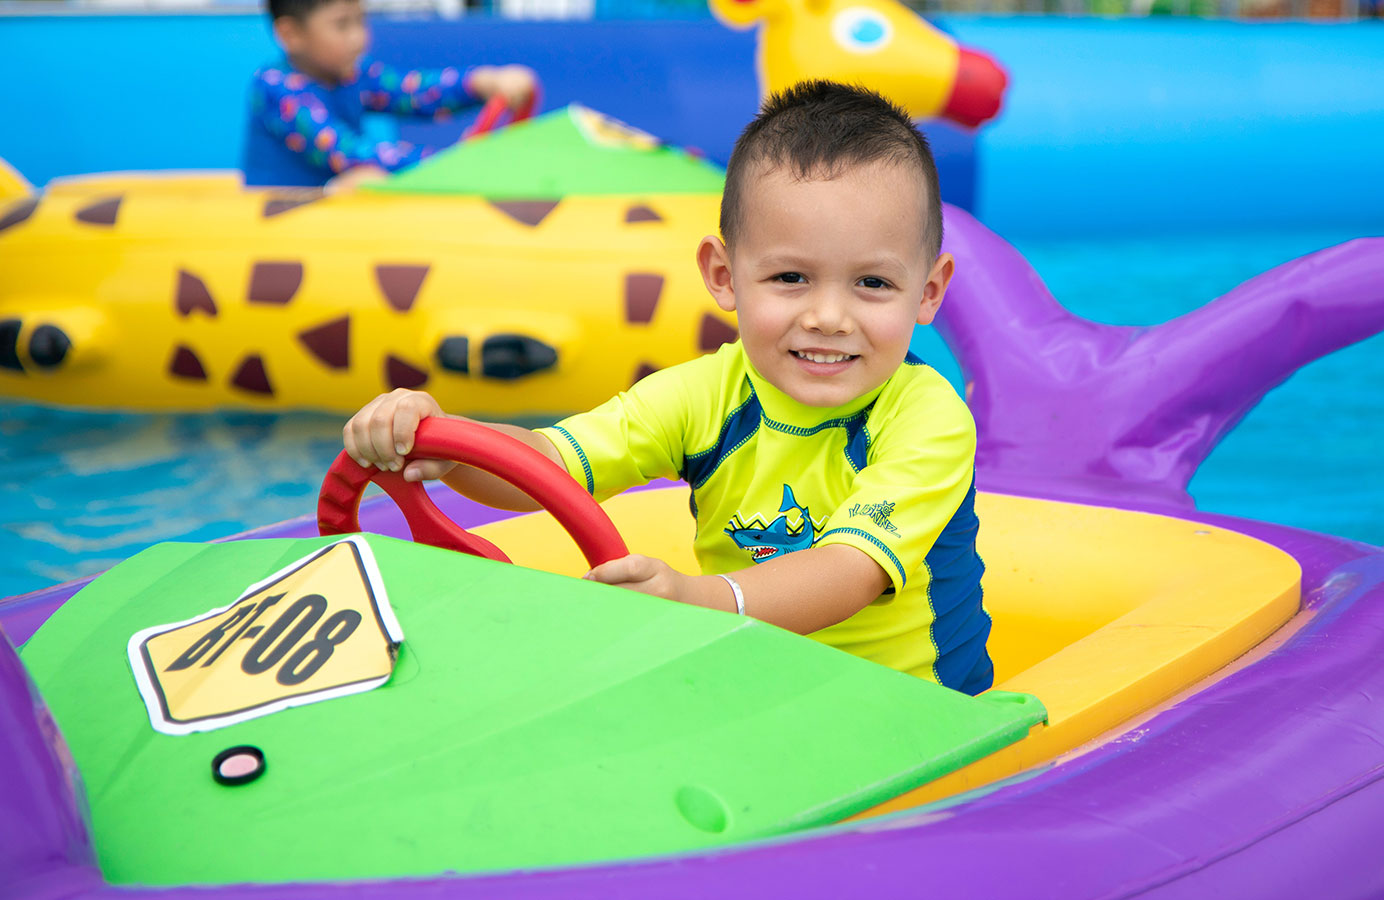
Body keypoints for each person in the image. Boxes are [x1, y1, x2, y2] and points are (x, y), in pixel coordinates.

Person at [342, 81, 993, 695]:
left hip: (918, 707)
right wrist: (451, 446)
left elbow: (848, 573)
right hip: (761, 684)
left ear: (928, 292)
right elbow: (552, 464)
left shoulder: (927, 417)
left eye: (872, 284)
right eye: (791, 278)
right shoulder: (704, 395)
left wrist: (695, 601)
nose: (827, 315)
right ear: (724, 275)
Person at [243, 0, 537, 190]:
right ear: (291, 34)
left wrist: (482, 82)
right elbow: (346, 152)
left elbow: (413, 92)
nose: (359, 38)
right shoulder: (278, 88)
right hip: (282, 222)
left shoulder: (354, 76)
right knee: (364, 179)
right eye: (342, 25)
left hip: (328, 226)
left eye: (361, 21)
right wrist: (446, 165)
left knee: (365, 180)